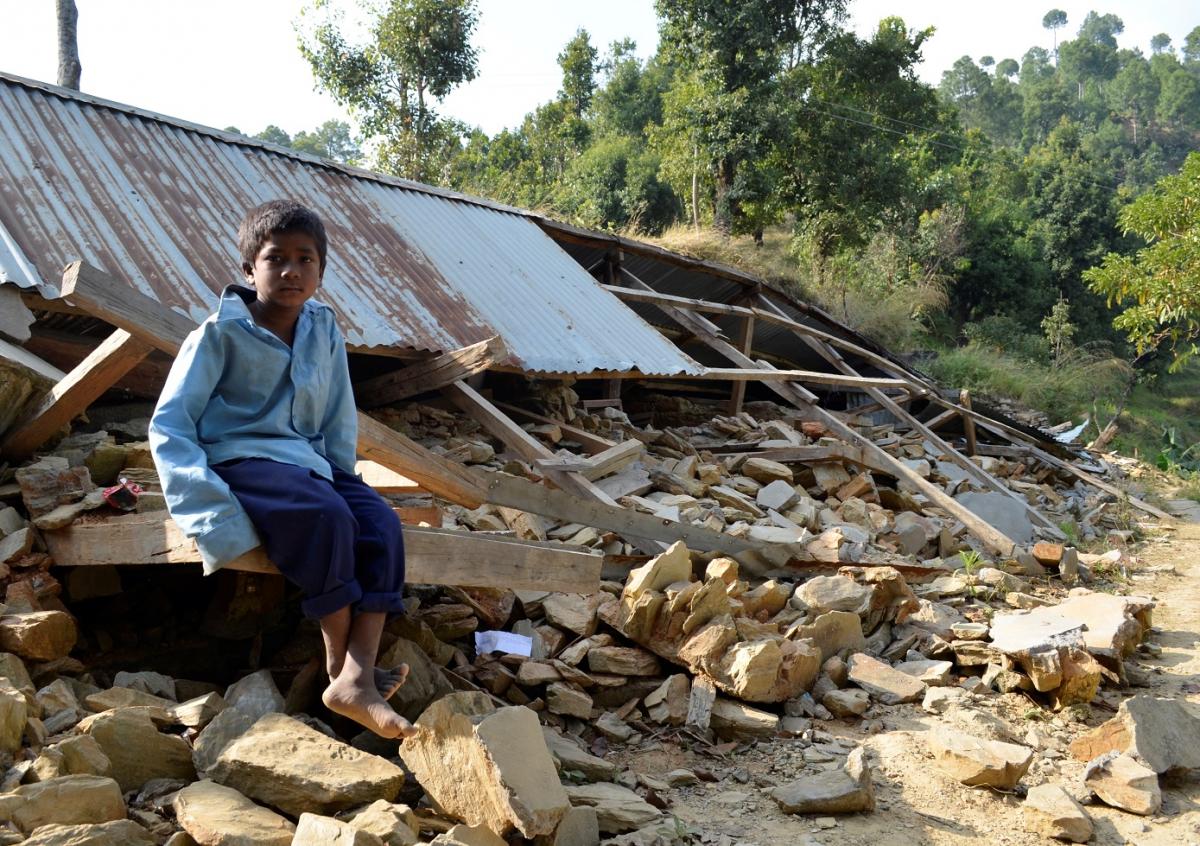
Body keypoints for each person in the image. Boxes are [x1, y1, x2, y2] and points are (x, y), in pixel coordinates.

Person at [149, 199, 416, 739]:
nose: (292, 271)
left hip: (310, 461)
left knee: (380, 525)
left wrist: (345, 481)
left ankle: (356, 676)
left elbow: (339, 413)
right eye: (276, 259)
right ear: (250, 269)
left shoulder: (324, 328)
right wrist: (208, 512)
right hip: (242, 457)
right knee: (324, 517)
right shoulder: (217, 336)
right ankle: (345, 674)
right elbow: (170, 427)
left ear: (321, 271)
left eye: (306, 259)